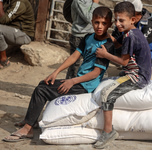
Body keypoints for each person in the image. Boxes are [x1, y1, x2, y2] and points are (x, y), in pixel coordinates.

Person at [3, 6, 114, 142]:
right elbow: (74, 56)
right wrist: (55, 72)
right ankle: (30, 120)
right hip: (78, 81)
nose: (99, 26)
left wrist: (72, 81)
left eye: (104, 23)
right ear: (91, 21)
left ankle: (28, 129)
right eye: (97, 22)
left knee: (41, 90)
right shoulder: (88, 37)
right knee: (43, 83)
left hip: (85, 86)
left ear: (110, 24)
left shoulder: (107, 45)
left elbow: (95, 73)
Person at [93, 1, 152, 149]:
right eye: (116, 20)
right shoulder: (129, 32)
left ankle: (108, 132)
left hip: (137, 77)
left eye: (122, 20)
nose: (118, 24)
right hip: (134, 72)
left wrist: (105, 54)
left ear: (133, 20)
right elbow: (116, 44)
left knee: (106, 94)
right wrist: (104, 33)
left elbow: (124, 62)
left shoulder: (130, 36)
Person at [112, 0, 152, 68]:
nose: (118, 23)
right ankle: (130, 69)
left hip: (148, 53)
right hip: (128, 49)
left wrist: (105, 55)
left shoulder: (148, 25)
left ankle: (143, 71)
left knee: (140, 57)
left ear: (136, 15)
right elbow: (115, 41)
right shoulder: (121, 22)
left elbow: (141, 47)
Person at [66, 0, 100, 79]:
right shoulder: (78, 1)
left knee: (91, 62)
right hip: (79, 36)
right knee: (75, 65)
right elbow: (89, 18)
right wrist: (95, 4)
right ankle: (70, 86)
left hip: (91, 35)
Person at [0, 0, 35, 69]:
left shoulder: (20, 2)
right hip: (12, 31)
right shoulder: (8, 1)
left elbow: (3, 20)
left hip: (24, 35)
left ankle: (4, 60)